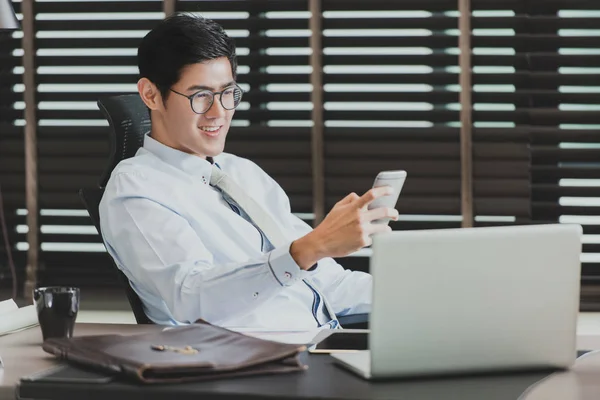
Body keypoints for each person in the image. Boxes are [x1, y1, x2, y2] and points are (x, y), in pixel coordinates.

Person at [99, 14, 399, 329]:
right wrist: (310, 248)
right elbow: (192, 298)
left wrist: (423, 293)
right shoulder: (136, 189)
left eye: (227, 93)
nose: (219, 112)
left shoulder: (243, 173)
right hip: (244, 364)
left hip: (322, 344)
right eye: (201, 96)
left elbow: (327, 284)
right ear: (150, 94)